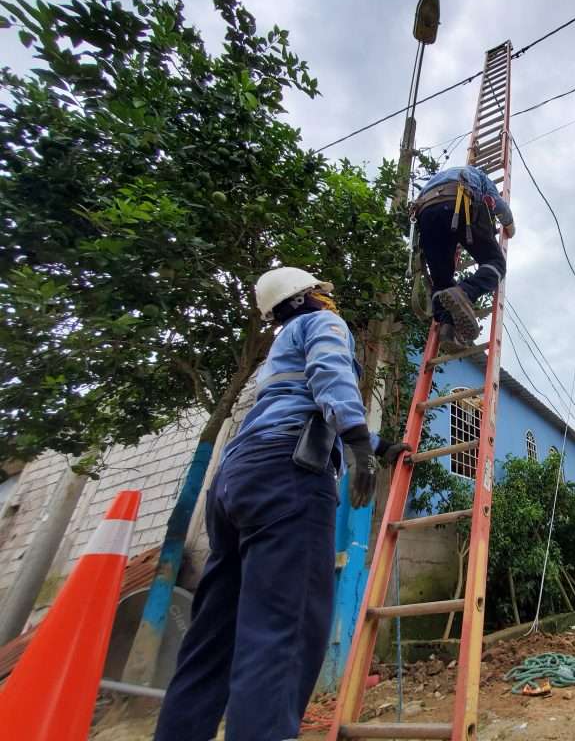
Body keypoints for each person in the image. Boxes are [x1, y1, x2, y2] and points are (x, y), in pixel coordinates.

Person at [154, 267, 408, 741]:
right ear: (308, 296)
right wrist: (356, 444)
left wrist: (377, 445)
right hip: (287, 477)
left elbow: (302, 400)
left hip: (235, 483)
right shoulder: (323, 325)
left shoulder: (277, 351)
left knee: (214, 638)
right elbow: (330, 375)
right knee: (282, 633)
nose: (329, 300)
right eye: (322, 293)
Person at [413, 164, 515, 352]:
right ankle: (465, 292)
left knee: (441, 281)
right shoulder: (477, 174)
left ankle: (448, 330)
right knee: (496, 264)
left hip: (426, 213)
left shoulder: (435, 179)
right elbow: (498, 205)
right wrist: (509, 225)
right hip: (460, 201)